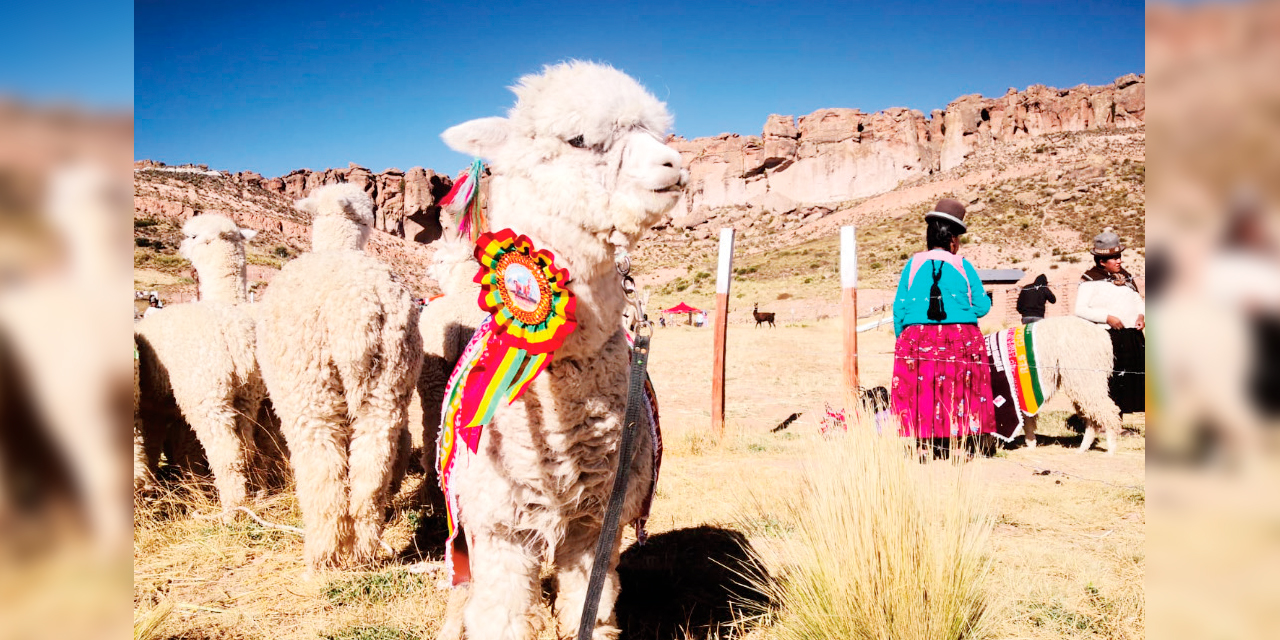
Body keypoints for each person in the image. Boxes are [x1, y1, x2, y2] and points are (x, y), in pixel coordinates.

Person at [890, 198, 995, 458]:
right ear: (952, 240)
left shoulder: (913, 264)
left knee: (921, 389)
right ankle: (960, 448)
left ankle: (924, 446)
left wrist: (904, 339)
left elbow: (899, 307)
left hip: (917, 336)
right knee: (961, 388)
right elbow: (982, 306)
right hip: (960, 336)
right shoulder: (962, 265)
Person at [1074, 228, 1145, 415]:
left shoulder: (1126, 276)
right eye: (1114, 258)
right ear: (1101, 262)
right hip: (1107, 337)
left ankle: (1120, 421)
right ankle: (1108, 421)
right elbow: (1080, 309)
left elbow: (1138, 299)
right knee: (1111, 381)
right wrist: (1107, 318)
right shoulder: (1090, 280)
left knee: (1129, 380)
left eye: (1120, 256)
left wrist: (1141, 315)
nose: (1119, 261)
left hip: (1131, 336)